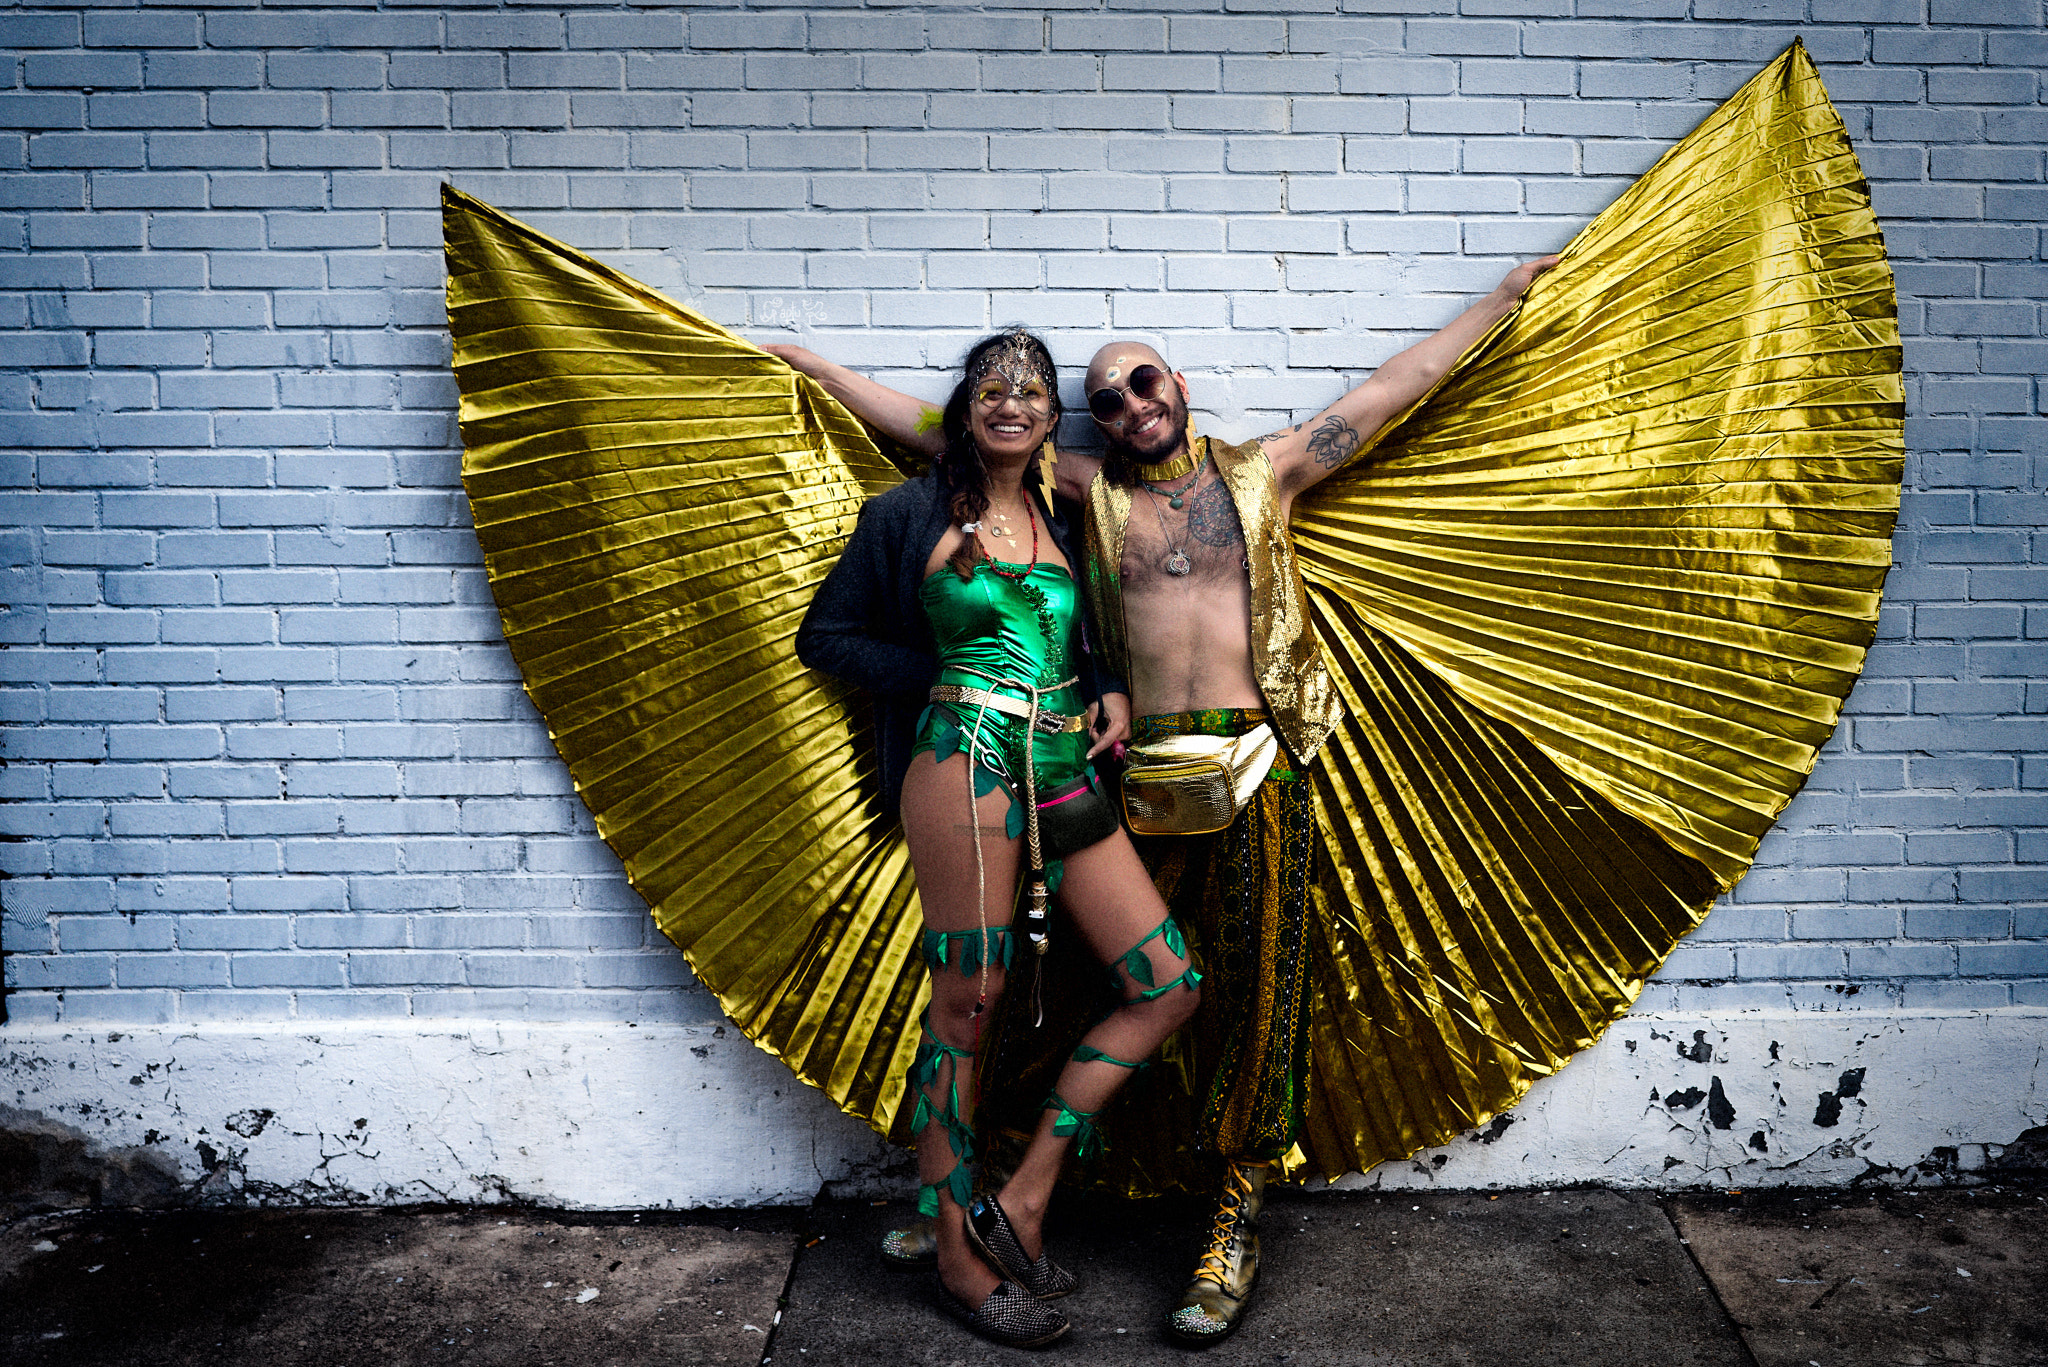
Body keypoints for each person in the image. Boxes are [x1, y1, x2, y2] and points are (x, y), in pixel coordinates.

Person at [772, 255, 1559, 1345]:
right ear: (1081, 424)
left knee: (1234, 993)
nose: (1131, 405)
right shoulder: (1079, 491)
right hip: (1124, 775)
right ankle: (972, 1196)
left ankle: (1213, 1211)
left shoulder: (1262, 472)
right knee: (1026, 988)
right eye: (1104, 398)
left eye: (1142, 383)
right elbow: (941, 427)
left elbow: (1389, 392)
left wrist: (1502, 300)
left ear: (1178, 382)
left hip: (1253, 765)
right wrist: (812, 367)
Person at [788, 329, 1202, 1350]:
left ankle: (1018, 1197)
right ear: (965, 406)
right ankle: (956, 1252)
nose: (1010, 403)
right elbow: (825, 636)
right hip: (963, 766)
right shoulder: (906, 514)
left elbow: (1088, 628)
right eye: (989, 389)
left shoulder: (1068, 507)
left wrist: (1104, 680)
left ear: (1048, 413)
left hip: (1064, 767)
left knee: (1166, 981)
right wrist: (938, 674)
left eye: (1030, 391)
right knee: (968, 1001)